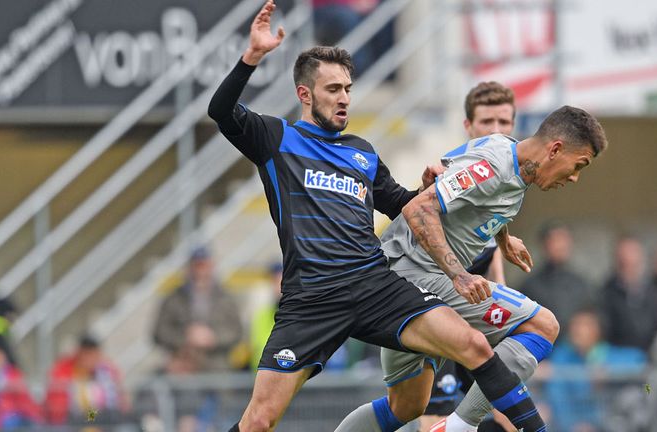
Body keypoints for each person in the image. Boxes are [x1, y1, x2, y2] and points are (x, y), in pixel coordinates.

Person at [208, 2, 548, 430]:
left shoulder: (362, 153)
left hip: (375, 285)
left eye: (348, 88)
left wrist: (430, 188)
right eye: (333, 89)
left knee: (474, 345)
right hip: (311, 298)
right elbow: (221, 111)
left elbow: (405, 205)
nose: (344, 98)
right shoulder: (277, 139)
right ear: (304, 94)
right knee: (259, 421)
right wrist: (251, 57)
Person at [337, 105, 608, 432]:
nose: (575, 178)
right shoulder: (493, 166)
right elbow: (419, 208)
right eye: (579, 165)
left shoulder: (509, 157)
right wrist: (459, 274)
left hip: (399, 280)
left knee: (406, 404)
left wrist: (504, 237)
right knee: (542, 326)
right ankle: (459, 427)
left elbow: (478, 201)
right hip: (414, 278)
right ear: (555, 149)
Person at [419, 81, 518, 432]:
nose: (496, 131)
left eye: (504, 123)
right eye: (487, 122)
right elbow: (422, 225)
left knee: (512, 408)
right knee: (436, 418)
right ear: (468, 127)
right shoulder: (456, 176)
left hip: (477, 317)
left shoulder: (506, 178)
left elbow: (488, 250)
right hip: (439, 315)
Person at [545, 308, 646, 431]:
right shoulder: (562, 356)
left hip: (607, 420)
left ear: (597, 330)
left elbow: (640, 361)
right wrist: (572, 425)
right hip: (573, 424)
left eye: (585, 325)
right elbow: (558, 396)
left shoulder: (607, 354)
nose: (577, 330)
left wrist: (608, 372)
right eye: (575, 325)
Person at [153, 246, 243, 372]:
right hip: (183, 370)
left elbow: (237, 331)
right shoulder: (174, 298)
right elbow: (159, 332)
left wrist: (213, 338)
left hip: (218, 372)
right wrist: (186, 338)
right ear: (189, 268)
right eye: (197, 266)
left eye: (204, 266)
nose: (200, 272)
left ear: (211, 267)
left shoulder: (226, 298)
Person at [519, 221, 591, 335]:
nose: (561, 246)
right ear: (544, 244)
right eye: (556, 240)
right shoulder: (530, 286)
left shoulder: (581, 284)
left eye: (565, 240)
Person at [45, 334, 130, 426]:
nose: (90, 359)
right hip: (75, 418)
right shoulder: (64, 371)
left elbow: (121, 401)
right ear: (79, 353)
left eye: (94, 354)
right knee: (94, 416)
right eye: (87, 354)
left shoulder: (105, 371)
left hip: (102, 416)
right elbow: (57, 409)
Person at [600, 236, 657, 352]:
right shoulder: (605, 295)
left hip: (651, 358)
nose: (629, 262)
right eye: (624, 262)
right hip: (618, 358)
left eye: (633, 261)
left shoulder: (654, 294)